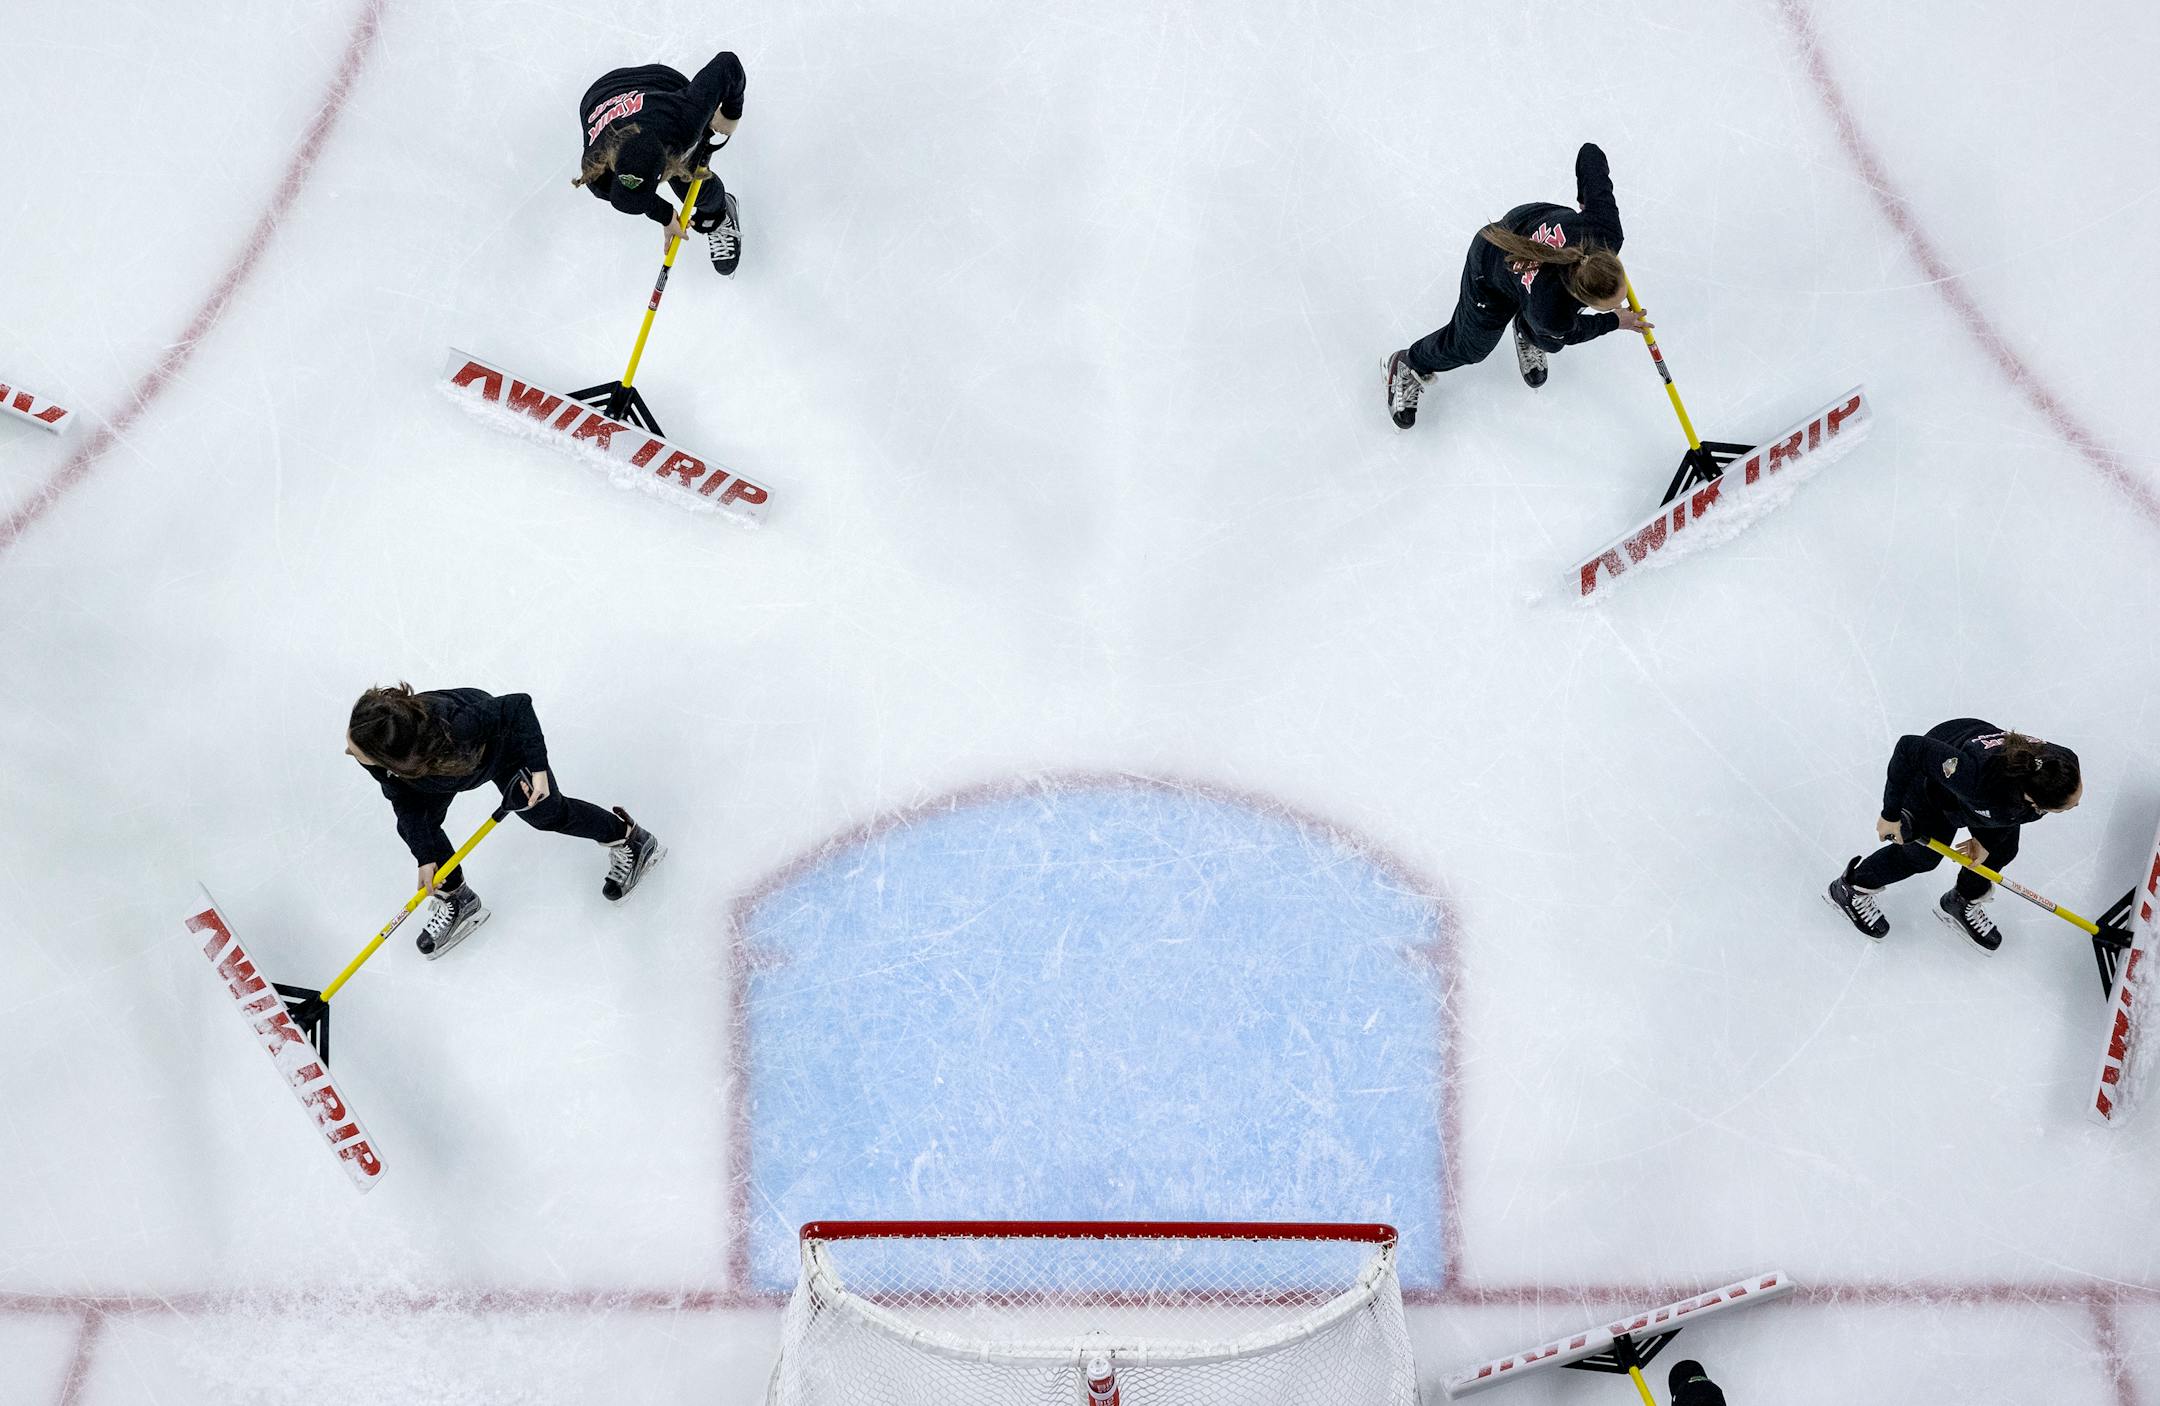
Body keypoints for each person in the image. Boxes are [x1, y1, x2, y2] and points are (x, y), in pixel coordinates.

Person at [346, 684, 665, 958]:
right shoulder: (382, 759)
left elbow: (518, 706)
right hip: (433, 775)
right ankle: (459, 899)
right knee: (419, 829)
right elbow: (405, 804)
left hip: (501, 748)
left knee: (548, 815)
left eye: (356, 749)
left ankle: (631, 839)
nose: (348, 750)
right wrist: (425, 857)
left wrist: (538, 769)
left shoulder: (455, 725)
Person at [1383, 142, 1650, 430]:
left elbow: (1590, 153)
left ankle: (1527, 331)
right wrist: (1612, 321)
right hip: (1493, 262)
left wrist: (1588, 199)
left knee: (1548, 337)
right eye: (1608, 304)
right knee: (1472, 347)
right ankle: (1409, 363)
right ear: (1579, 292)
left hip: (1530, 225)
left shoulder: (1606, 230)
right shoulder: (1551, 310)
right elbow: (1572, 332)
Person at [1825, 720, 2082, 951]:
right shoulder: (1975, 780)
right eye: (2068, 807)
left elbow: (2007, 814)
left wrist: (1985, 842)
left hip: (1991, 793)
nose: (2076, 806)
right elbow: (1909, 748)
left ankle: (1961, 900)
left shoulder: (2061, 762)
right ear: (2033, 801)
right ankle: (1850, 888)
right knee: (1921, 858)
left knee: (2001, 850)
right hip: (1932, 784)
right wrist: (1890, 814)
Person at [574, 51, 748, 276]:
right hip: (603, 91)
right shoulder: (595, 171)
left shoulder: (684, 121)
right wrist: (665, 215)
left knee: (691, 186)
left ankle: (719, 214)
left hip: (663, 85)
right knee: (670, 179)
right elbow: (632, 186)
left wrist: (730, 114)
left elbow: (728, 65)